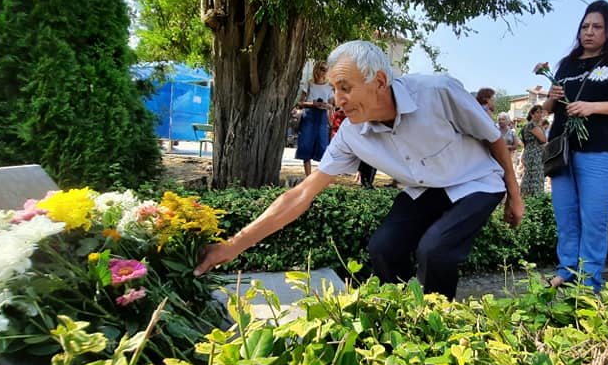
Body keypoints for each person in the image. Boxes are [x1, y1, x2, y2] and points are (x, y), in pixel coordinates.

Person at [195, 40, 524, 299]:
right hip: (426, 189)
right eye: (334, 90)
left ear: (379, 81)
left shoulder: (437, 92)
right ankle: (402, 313)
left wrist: (515, 195)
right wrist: (233, 245)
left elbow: (493, 138)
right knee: (383, 248)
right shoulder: (352, 134)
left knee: (435, 250)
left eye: (345, 88)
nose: (337, 99)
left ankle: (437, 326)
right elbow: (301, 194)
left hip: (476, 181)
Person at [542, 0, 608, 291]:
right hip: (562, 150)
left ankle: (588, 281)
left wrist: (592, 107)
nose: (589, 32)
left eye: (597, 27)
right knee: (565, 216)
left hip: (600, 151)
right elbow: (549, 109)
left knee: (594, 219)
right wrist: (551, 98)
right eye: (585, 26)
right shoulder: (567, 63)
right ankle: (566, 270)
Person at [295, 62, 334, 176]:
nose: (324, 72)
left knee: (323, 146)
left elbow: (332, 105)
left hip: (322, 117)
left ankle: (319, 177)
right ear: (316, 69)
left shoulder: (329, 86)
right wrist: (313, 104)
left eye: (326, 70)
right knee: (306, 145)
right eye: (322, 69)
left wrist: (327, 106)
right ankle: (308, 177)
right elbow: (300, 103)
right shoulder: (309, 84)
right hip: (309, 116)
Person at [519, 105, 547, 197]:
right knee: (536, 176)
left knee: (528, 175)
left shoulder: (525, 126)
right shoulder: (532, 125)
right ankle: (535, 197)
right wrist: (541, 126)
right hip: (535, 154)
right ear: (532, 114)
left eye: (541, 112)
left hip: (529, 152)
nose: (540, 114)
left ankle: (525, 196)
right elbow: (543, 139)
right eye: (537, 112)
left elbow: (524, 142)